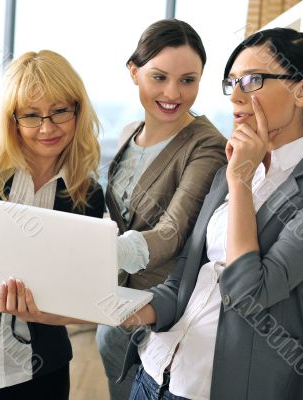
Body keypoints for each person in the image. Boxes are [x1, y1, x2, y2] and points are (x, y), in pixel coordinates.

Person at [116, 27, 303, 400]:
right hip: (154, 374)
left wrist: (240, 180)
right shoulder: (232, 166)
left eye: (252, 80)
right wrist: (120, 308)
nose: (235, 96)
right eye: (231, 81)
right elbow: (182, 283)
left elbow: (248, 293)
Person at [0, 50, 104, 400]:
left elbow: (80, 286)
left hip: (42, 367)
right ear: (12, 119)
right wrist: (34, 286)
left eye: (60, 111)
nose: (47, 128)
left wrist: (28, 288)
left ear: (77, 110)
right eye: (31, 115)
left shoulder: (87, 195)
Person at [96, 18, 227, 398]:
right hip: (117, 304)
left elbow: (172, 233)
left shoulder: (206, 146)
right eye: (159, 77)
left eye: (188, 80)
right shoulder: (128, 135)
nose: (173, 93)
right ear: (134, 72)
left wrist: (95, 252)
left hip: (164, 312)